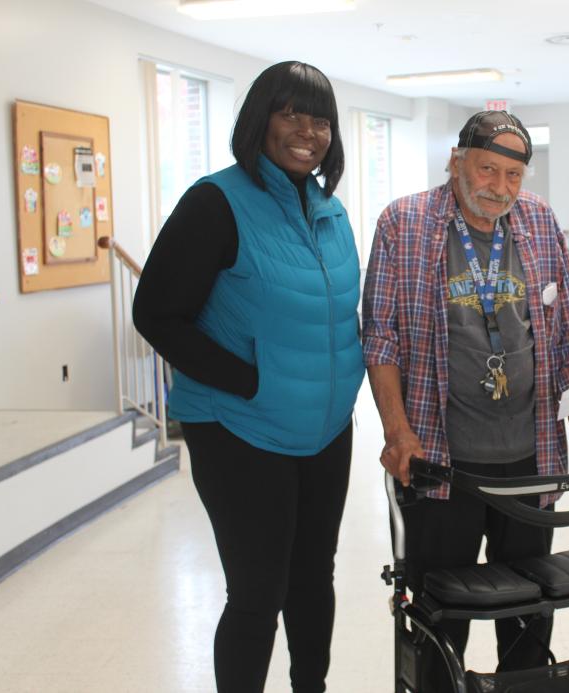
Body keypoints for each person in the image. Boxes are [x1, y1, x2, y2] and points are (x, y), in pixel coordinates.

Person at [132, 61, 364, 693]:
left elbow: (337, 312)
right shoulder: (215, 203)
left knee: (314, 577)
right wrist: (248, 380)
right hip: (239, 429)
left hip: (323, 430)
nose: (307, 131)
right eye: (291, 113)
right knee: (259, 590)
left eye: (320, 120)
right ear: (260, 119)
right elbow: (155, 313)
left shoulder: (329, 211)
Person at [362, 111, 569, 691]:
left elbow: (565, 333)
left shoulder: (540, 221)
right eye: (488, 169)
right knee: (444, 617)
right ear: (457, 161)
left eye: (514, 175)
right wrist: (398, 432)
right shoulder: (405, 222)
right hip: (442, 465)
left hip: (529, 461)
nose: (500, 187)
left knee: (528, 621)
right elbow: (381, 335)